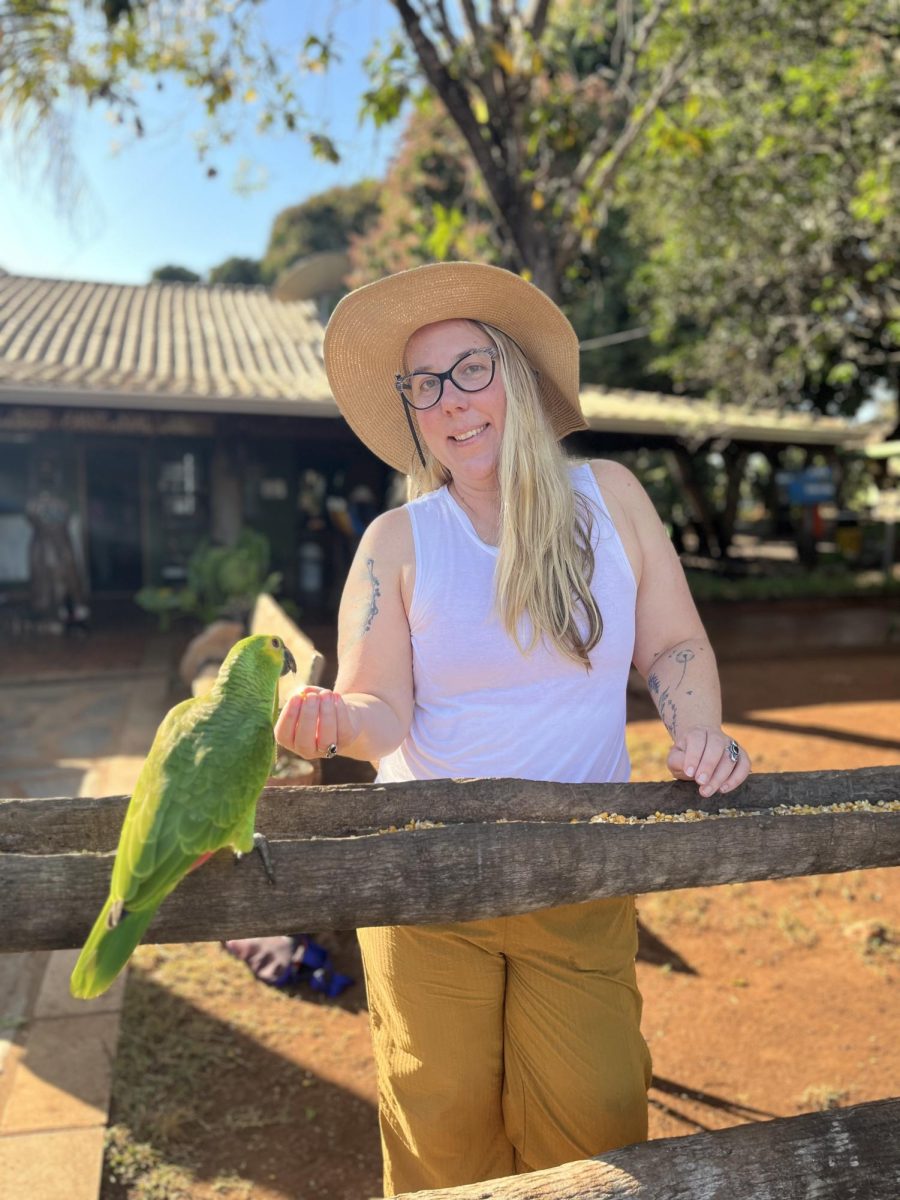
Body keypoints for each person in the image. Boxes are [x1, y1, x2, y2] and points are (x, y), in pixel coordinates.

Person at [275, 261, 752, 1193]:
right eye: (424, 386)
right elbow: (383, 716)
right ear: (411, 412)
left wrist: (701, 729)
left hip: (580, 873)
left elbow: (674, 644)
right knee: (441, 1136)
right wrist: (331, 724)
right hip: (426, 884)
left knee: (598, 1127)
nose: (451, 402)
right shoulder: (397, 544)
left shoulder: (610, 499)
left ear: (518, 376)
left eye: (470, 369)